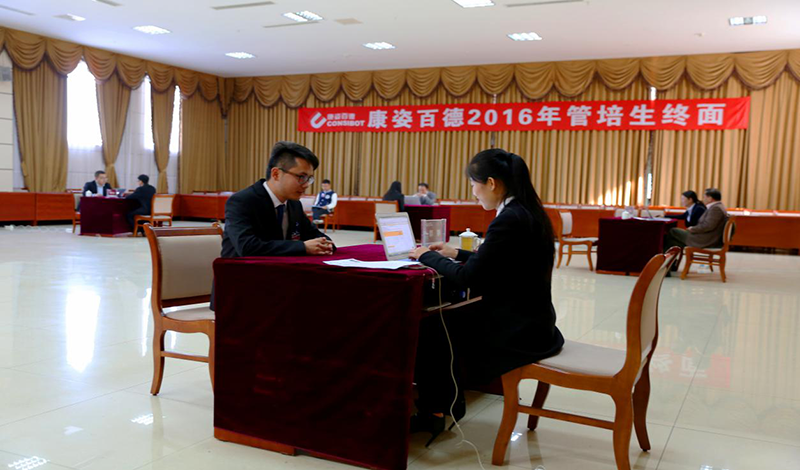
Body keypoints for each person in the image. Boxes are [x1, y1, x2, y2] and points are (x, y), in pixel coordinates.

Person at [408, 149, 564, 443]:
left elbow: (470, 277)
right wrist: (456, 253)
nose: (473, 192)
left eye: (473, 184)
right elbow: (503, 264)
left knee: (433, 328)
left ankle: (436, 411)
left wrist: (427, 255)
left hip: (519, 332)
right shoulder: (528, 211)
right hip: (537, 323)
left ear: (491, 183)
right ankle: (445, 404)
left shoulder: (509, 219)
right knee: (446, 320)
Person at [221, 141, 335, 258]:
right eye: (301, 177)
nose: (306, 185)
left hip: (280, 267)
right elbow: (247, 247)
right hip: (242, 268)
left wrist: (325, 244)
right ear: (276, 174)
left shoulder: (294, 204)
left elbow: (314, 235)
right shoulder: (242, 201)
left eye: (309, 179)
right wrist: (302, 247)